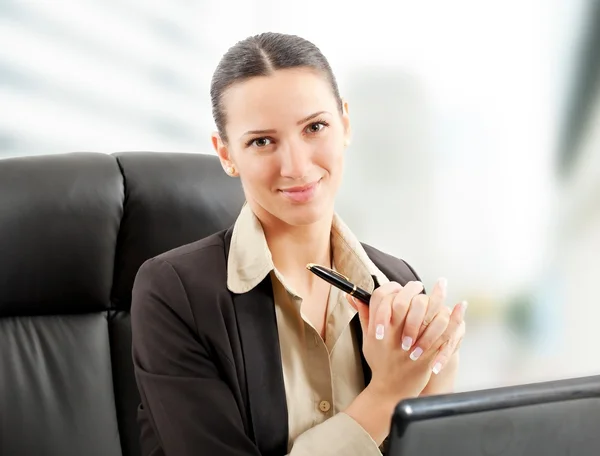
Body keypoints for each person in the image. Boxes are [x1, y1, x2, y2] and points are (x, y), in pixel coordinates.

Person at [131, 32, 467, 456]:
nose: (296, 166)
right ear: (226, 153)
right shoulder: (175, 294)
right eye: (262, 141)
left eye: (315, 127)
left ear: (344, 124)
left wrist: (439, 370)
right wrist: (386, 395)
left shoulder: (397, 282)